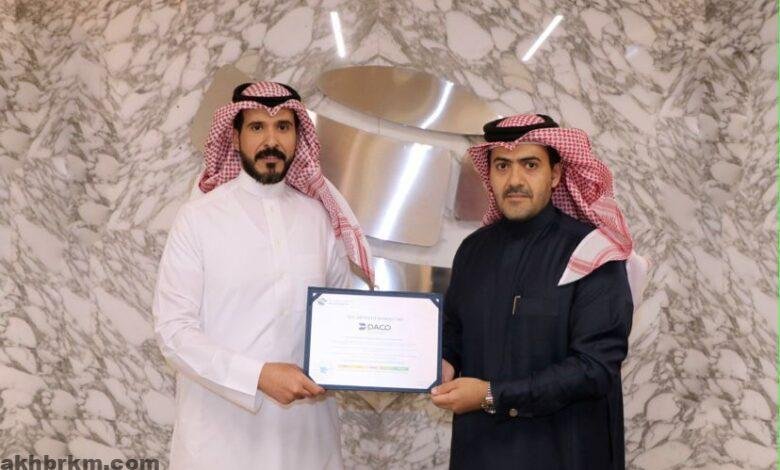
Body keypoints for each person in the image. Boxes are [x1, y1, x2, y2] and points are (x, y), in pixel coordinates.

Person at [153, 81, 373, 470]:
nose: (271, 140)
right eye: (257, 127)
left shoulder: (319, 219)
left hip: (306, 439)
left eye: (283, 127)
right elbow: (173, 332)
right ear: (235, 135)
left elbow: (343, 317)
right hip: (221, 440)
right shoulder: (198, 219)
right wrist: (258, 376)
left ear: (297, 137)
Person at [431, 114, 648, 469]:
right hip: (479, 452)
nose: (514, 180)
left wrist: (490, 395)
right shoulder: (472, 251)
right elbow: (455, 329)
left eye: (530, 164)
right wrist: (444, 361)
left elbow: (594, 368)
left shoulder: (593, 253)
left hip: (562, 453)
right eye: (502, 165)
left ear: (556, 174)